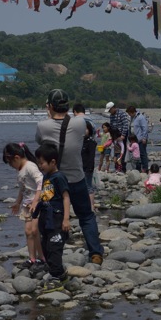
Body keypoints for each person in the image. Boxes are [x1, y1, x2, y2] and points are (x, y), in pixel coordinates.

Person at [36, 89, 104, 265]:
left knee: (52, 218)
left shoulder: (43, 126)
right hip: (77, 178)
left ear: (50, 106)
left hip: (55, 181)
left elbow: (40, 142)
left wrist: (48, 115)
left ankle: (51, 256)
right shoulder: (80, 123)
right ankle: (95, 253)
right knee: (86, 216)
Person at [33, 142, 71, 292]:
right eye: (38, 163)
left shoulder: (59, 177)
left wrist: (66, 219)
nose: (40, 165)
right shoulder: (46, 177)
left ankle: (56, 277)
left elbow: (66, 197)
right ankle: (59, 273)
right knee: (46, 247)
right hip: (46, 219)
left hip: (57, 218)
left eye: (41, 163)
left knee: (55, 248)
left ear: (53, 162)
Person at [3, 142, 44, 270]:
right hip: (27, 205)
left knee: (35, 231)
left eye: (10, 163)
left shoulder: (30, 166)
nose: (11, 166)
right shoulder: (21, 170)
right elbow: (22, 189)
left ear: (16, 158)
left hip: (36, 204)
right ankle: (32, 258)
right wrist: (17, 203)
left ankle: (42, 257)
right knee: (28, 232)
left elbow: (40, 182)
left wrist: (36, 200)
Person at [128, 105, 150, 172]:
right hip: (134, 140)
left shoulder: (140, 117)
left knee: (142, 154)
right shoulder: (132, 118)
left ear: (133, 112)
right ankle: (138, 169)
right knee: (136, 155)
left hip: (140, 139)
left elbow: (145, 128)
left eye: (129, 113)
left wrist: (144, 138)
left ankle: (145, 168)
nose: (129, 115)